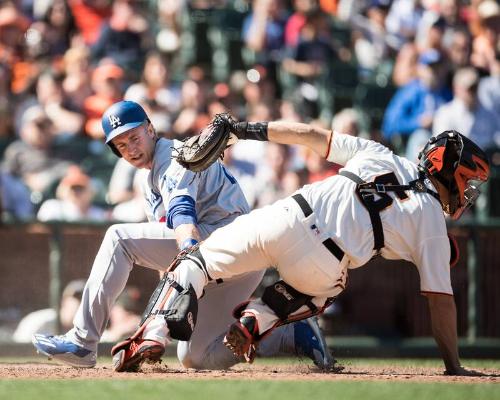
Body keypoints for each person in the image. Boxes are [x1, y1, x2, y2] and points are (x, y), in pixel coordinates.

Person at [114, 116, 489, 376]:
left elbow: (309, 135)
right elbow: (441, 300)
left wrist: (245, 130)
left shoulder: (380, 154)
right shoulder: (431, 219)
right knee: (318, 292)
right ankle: (257, 320)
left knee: (194, 261)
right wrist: (453, 366)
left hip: (287, 217)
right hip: (327, 264)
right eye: (468, 181)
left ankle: (152, 335)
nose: (468, 192)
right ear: (447, 169)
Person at [31, 100, 333, 371]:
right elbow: (169, 248)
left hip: (227, 241)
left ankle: (83, 342)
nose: (131, 148)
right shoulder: (149, 176)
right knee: (194, 357)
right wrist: (161, 315)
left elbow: (182, 211)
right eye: (122, 145)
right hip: (236, 263)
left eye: (134, 137)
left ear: (150, 129)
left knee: (119, 238)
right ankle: (288, 334)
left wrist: (189, 250)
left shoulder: (174, 155)